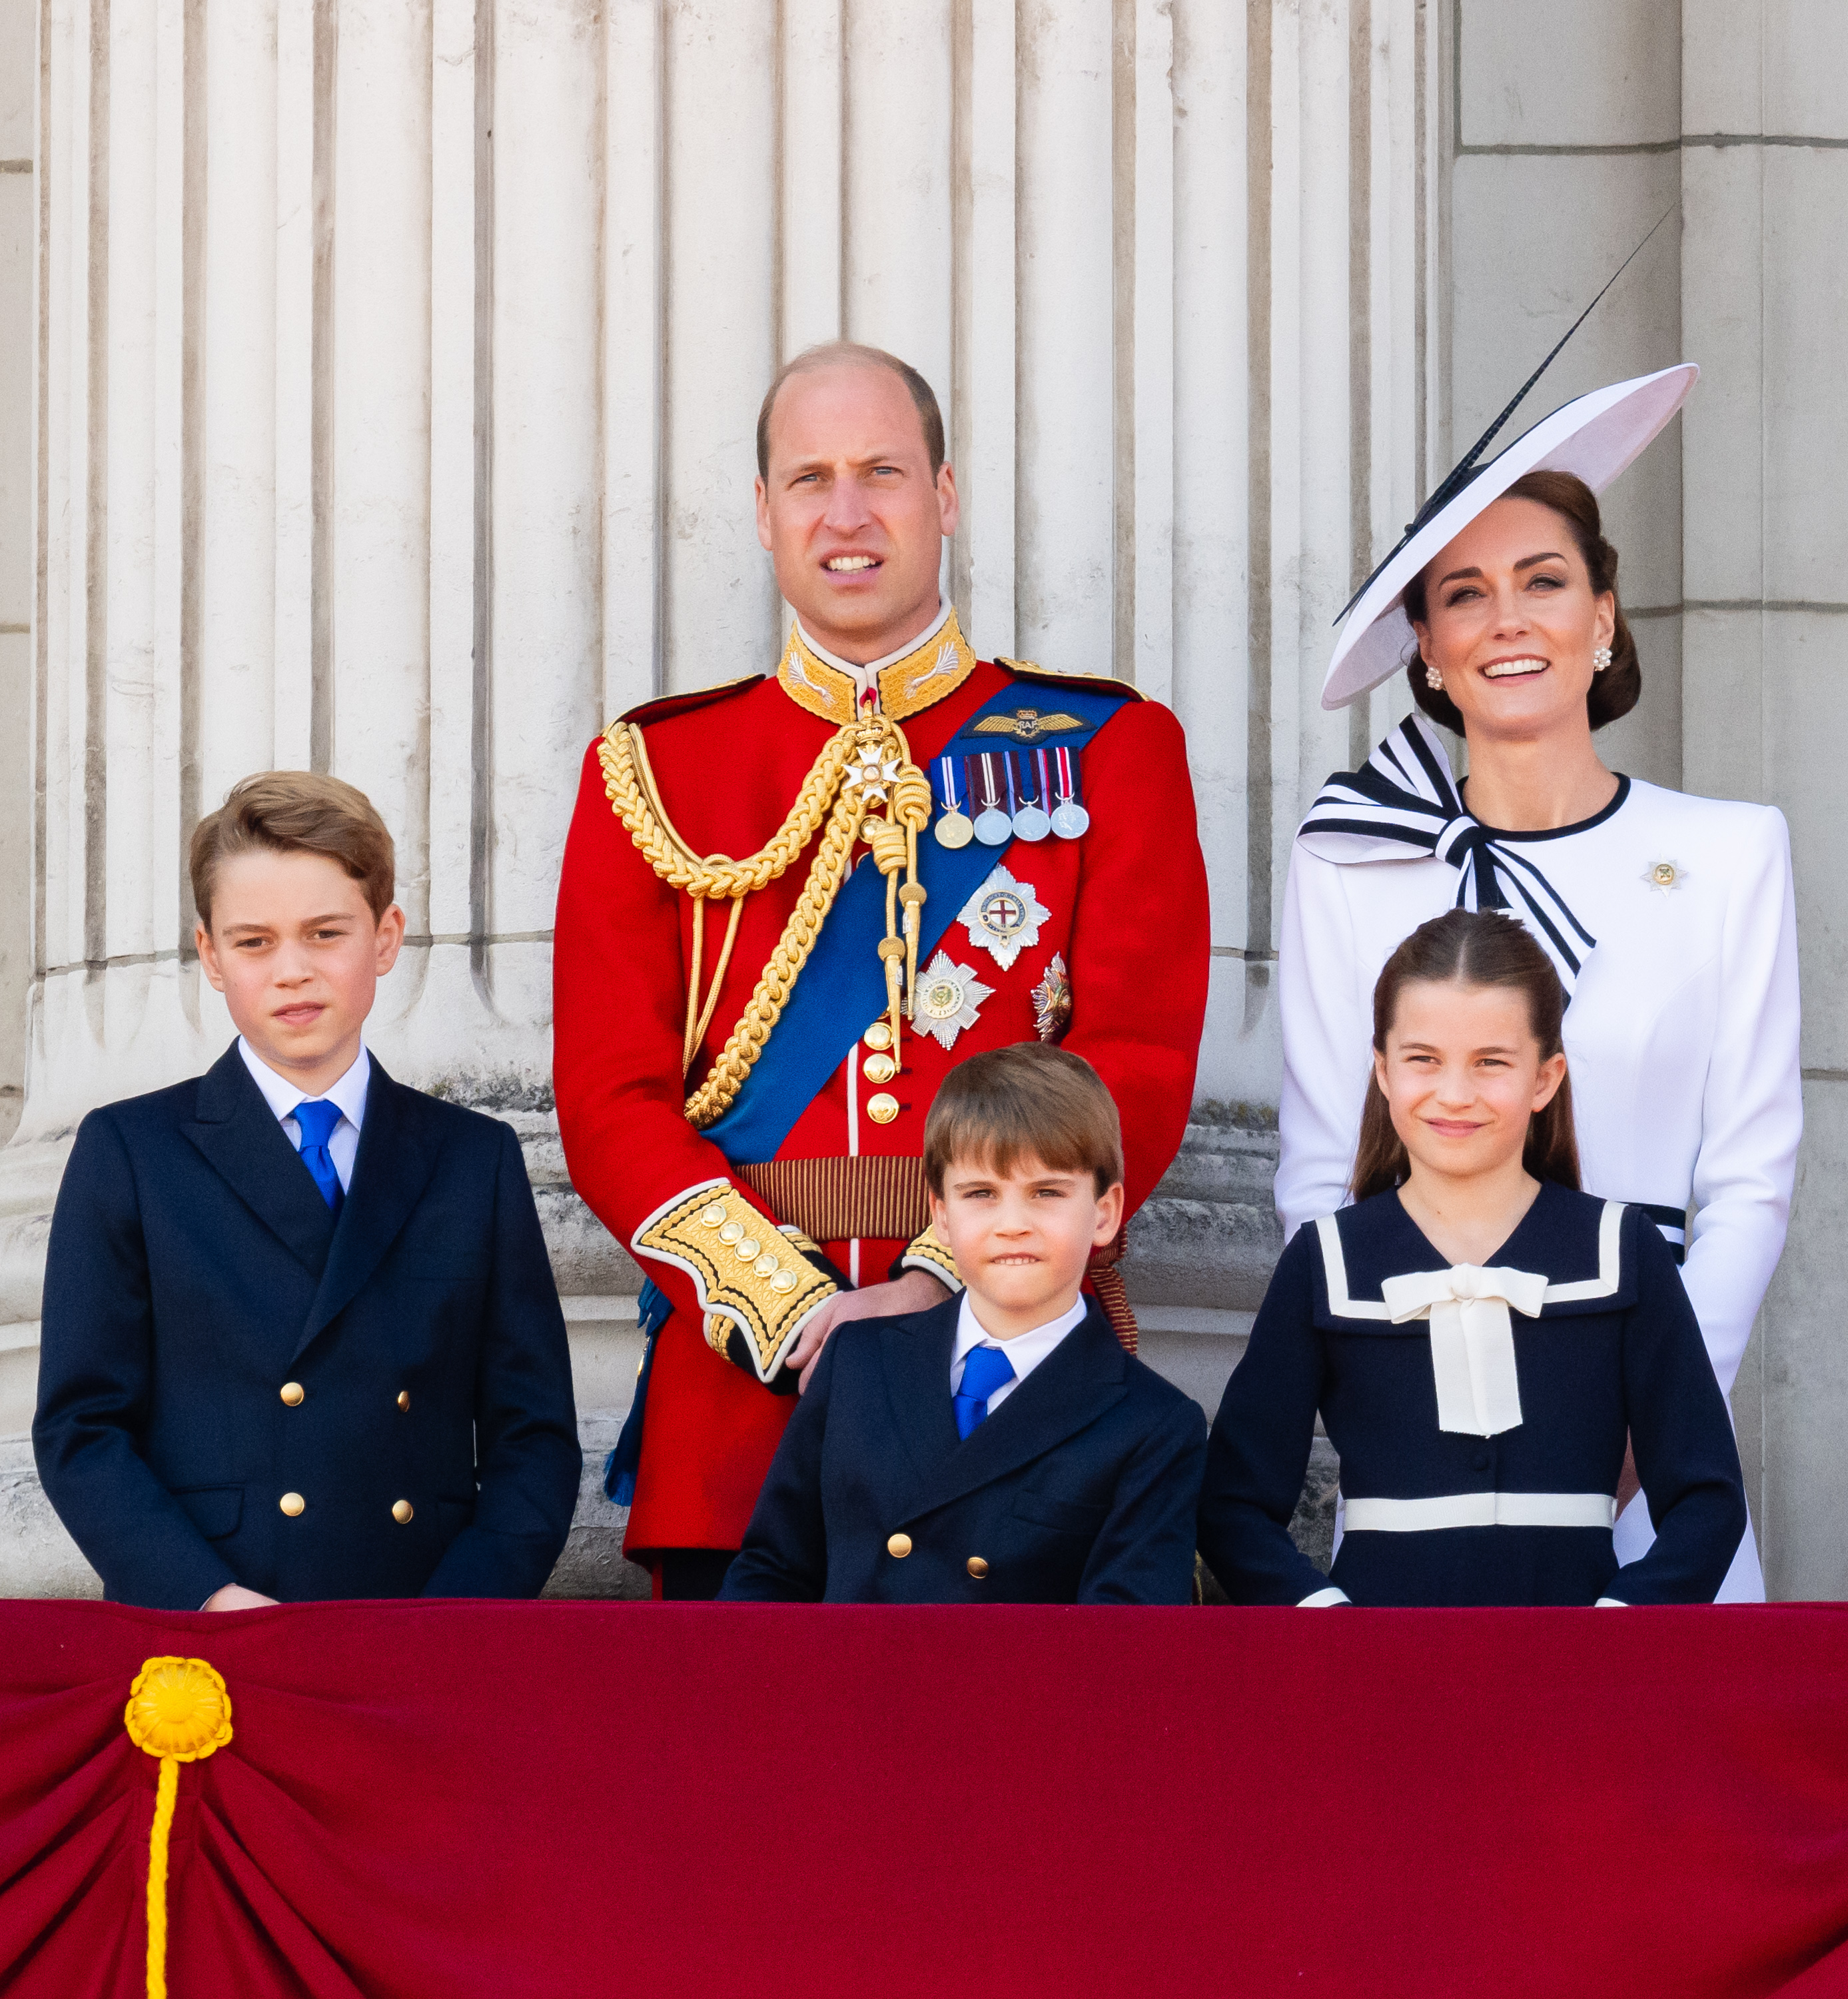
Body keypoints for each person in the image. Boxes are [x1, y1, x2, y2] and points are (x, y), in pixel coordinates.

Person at [553, 342, 1209, 1599]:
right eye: (808, 479)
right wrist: (796, 1320)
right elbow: (605, 1098)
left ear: (943, 497)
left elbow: (1132, 1058)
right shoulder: (652, 772)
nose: (844, 514)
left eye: (881, 474)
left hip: (1012, 1406)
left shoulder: (1106, 749)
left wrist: (935, 1281)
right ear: (761, 514)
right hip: (742, 1421)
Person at [1280, 366, 1799, 1601]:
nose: (1506, 620)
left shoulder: (1732, 853)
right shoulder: (1350, 863)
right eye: (1464, 595)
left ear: (1603, 617)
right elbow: (1313, 1174)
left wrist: (1648, 1412)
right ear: (1426, 648)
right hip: (1417, 1417)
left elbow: (1746, 1177)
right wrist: (1390, 1398)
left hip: (1650, 1432)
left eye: (1542, 582)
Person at [33, 774, 581, 1611]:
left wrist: (460, 1618)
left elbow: (532, 1436)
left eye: (325, 933)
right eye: (253, 942)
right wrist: (208, 1598)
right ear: (210, 956)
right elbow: (81, 1429)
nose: (292, 971)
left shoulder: (475, 1160)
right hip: (210, 1630)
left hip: (422, 1627)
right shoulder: (132, 1152)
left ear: (386, 937)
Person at [1202, 910, 1746, 1607]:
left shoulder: (1620, 1249)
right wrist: (1322, 1620)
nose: (1453, 1093)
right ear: (1382, 1071)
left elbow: (1706, 1495)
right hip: (1380, 1673)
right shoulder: (1326, 1259)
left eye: (1490, 1062)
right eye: (1422, 1059)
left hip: (1577, 1673)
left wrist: (1621, 1626)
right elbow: (1232, 1505)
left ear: (1545, 1079)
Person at [719, 1045, 1207, 1603]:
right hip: (842, 1687)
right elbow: (770, 1577)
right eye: (982, 1195)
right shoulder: (856, 1362)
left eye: (1046, 1193)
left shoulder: (1154, 1425)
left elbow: (1121, 1651)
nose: (1012, 1225)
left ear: (1104, 1213)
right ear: (942, 1217)